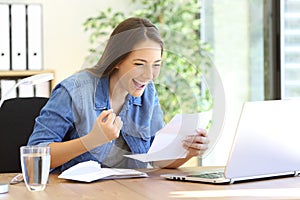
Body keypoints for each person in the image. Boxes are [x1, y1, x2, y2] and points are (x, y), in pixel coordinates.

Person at [28, 17, 209, 172]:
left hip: (130, 192)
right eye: (139, 64)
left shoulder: (148, 93)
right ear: (117, 60)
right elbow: (33, 161)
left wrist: (188, 151)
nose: (149, 75)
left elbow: (157, 158)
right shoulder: (74, 90)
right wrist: (91, 140)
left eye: (156, 64)